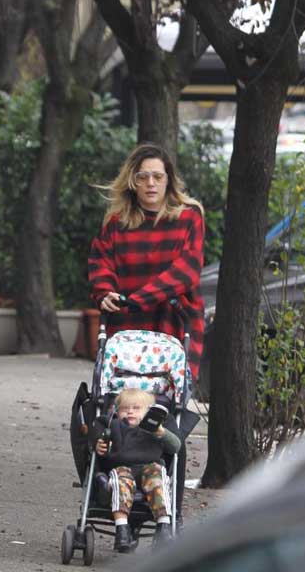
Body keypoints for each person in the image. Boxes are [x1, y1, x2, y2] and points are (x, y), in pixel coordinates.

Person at [87, 142, 205, 528]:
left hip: (174, 324)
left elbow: (185, 273)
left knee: (167, 416)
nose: (151, 183)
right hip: (127, 330)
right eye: (143, 177)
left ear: (169, 180)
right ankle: (121, 498)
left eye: (158, 176)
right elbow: (100, 262)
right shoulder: (116, 223)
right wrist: (105, 294)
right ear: (132, 182)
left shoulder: (188, 218)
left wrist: (135, 299)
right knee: (123, 411)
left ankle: (169, 509)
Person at [94, 388, 181, 552]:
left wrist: (160, 432)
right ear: (116, 412)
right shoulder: (114, 425)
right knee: (120, 480)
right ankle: (122, 530)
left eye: (136, 408)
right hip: (123, 468)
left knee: (158, 478)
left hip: (150, 467)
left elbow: (175, 446)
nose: (130, 412)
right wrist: (98, 444)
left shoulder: (155, 429)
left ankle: (163, 526)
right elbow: (98, 437)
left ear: (148, 412)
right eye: (125, 409)